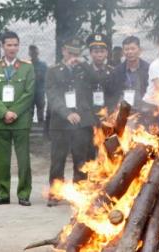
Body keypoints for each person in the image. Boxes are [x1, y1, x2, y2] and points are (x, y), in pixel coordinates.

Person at [45, 38, 97, 207]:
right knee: (58, 159)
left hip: (81, 121)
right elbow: (52, 95)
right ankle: (55, 192)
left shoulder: (83, 69)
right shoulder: (53, 71)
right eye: (70, 53)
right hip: (61, 123)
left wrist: (84, 64)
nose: (73, 57)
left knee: (81, 160)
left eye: (76, 53)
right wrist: (67, 113)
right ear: (63, 51)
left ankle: (79, 192)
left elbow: (97, 79)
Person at [0, 31, 35, 206]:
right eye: (9, 45)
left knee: (23, 159)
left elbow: (30, 93)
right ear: (2, 46)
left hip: (20, 120)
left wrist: (14, 111)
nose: (12, 48)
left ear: (18, 46)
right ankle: (3, 193)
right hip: (0, 121)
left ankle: (23, 193)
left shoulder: (27, 67)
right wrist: (4, 113)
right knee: (2, 160)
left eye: (15, 44)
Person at [111, 36, 149, 112]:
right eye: (126, 49)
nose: (130, 52)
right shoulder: (117, 71)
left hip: (143, 110)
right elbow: (114, 93)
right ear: (123, 52)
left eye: (133, 49)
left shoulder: (148, 68)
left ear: (140, 50)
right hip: (124, 111)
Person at [85, 33, 115, 112]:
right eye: (96, 52)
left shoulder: (113, 72)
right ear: (91, 53)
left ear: (106, 53)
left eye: (102, 52)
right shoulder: (83, 72)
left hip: (108, 113)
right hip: (89, 114)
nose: (99, 55)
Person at [29, 45, 47, 124]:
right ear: (29, 54)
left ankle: (41, 126)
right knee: (29, 111)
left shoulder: (43, 65)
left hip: (40, 91)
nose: (33, 54)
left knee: (40, 110)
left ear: (37, 53)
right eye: (31, 52)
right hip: (30, 91)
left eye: (35, 52)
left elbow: (47, 78)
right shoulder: (27, 65)